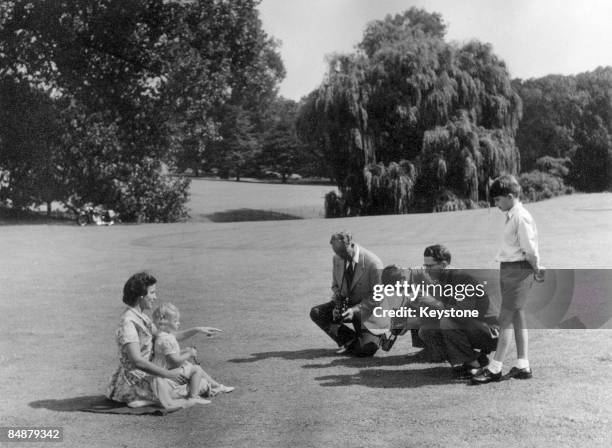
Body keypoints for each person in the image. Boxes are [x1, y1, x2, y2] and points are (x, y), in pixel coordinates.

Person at [105, 272, 222, 409]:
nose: (155, 297)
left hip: (149, 373)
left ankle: (151, 398)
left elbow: (166, 337)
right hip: (135, 380)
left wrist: (197, 329)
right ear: (141, 295)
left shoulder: (141, 317)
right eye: (152, 293)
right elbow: (136, 361)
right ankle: (147, 398)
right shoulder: (128, 322)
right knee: (198, 384)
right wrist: (167, 374)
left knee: (194, 378)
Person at [472, 175, 544, 384]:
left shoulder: (521, 217)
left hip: (519, 270)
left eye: (497, 200)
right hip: (510, 268)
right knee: (517, 316)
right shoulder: (512, 215)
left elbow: (530, 250)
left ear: (510, 196)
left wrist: (537, 269)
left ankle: (495, 368)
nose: (496, 205)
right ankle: (523, 365)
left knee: (505, 318)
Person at [416, 244, 499, 379]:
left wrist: (433, 303)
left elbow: (462, 315)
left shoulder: (462, 279)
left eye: (430, 266)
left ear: (443, 264)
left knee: (447, 322)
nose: (426, 270)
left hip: (491, 332)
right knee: (426, 330)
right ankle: (476, 358)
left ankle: (474, 365)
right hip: (474, 326)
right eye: (425, 266)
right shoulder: (442, 279)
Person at [310, 231, 384, 356]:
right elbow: (336, 285)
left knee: (366, 350)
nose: (341, 256)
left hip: (370, 311)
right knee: (317, 313)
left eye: (343, 252)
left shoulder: (374, 263)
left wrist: (354, 310)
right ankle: (350, 340)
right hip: (348, 305)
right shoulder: (337, 258)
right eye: (337, 253)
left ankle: (374, 338)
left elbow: (378, 297)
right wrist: (338, 303)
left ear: (351, 244)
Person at [151, 302, 234, 404]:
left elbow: (168, 356)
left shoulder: (164, 334)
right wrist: (189, 354)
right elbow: (174, 362)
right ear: (164, 322)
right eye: (175, 321)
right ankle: (193, 397)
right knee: (196, 369)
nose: (178, 323)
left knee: (191, 367)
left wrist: (184, 351)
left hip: (164, 371)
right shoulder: (166, 339)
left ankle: (217, 386)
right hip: (166, 375)